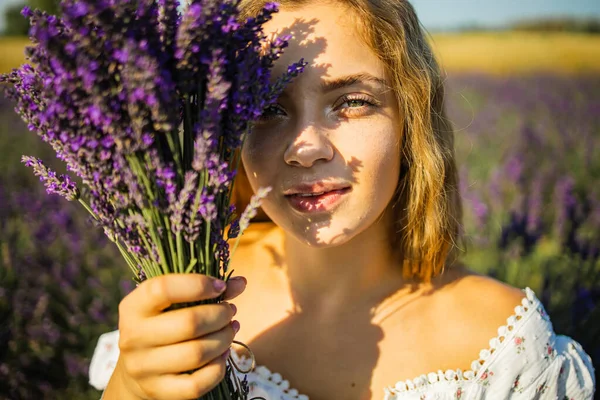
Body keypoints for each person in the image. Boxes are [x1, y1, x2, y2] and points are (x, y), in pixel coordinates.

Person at [91, 0, 596, 399]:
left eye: (351, 101)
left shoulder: (499, 346)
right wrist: (131, 390)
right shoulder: (191, 298)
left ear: (411, 120)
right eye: (268, 108)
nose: (305, 148)